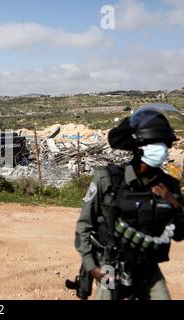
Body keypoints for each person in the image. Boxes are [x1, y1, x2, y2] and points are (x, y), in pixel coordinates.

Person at [73, 103, 184, 300]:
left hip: (148, 268)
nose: (165, 151)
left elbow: (180, 235)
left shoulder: (169, 186)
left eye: (166, 145)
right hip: (111, 266)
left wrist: (174, 204)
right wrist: (93, 268)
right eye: (158, 145)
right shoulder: (109, 180)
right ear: (139, 148)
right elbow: (84, 226)